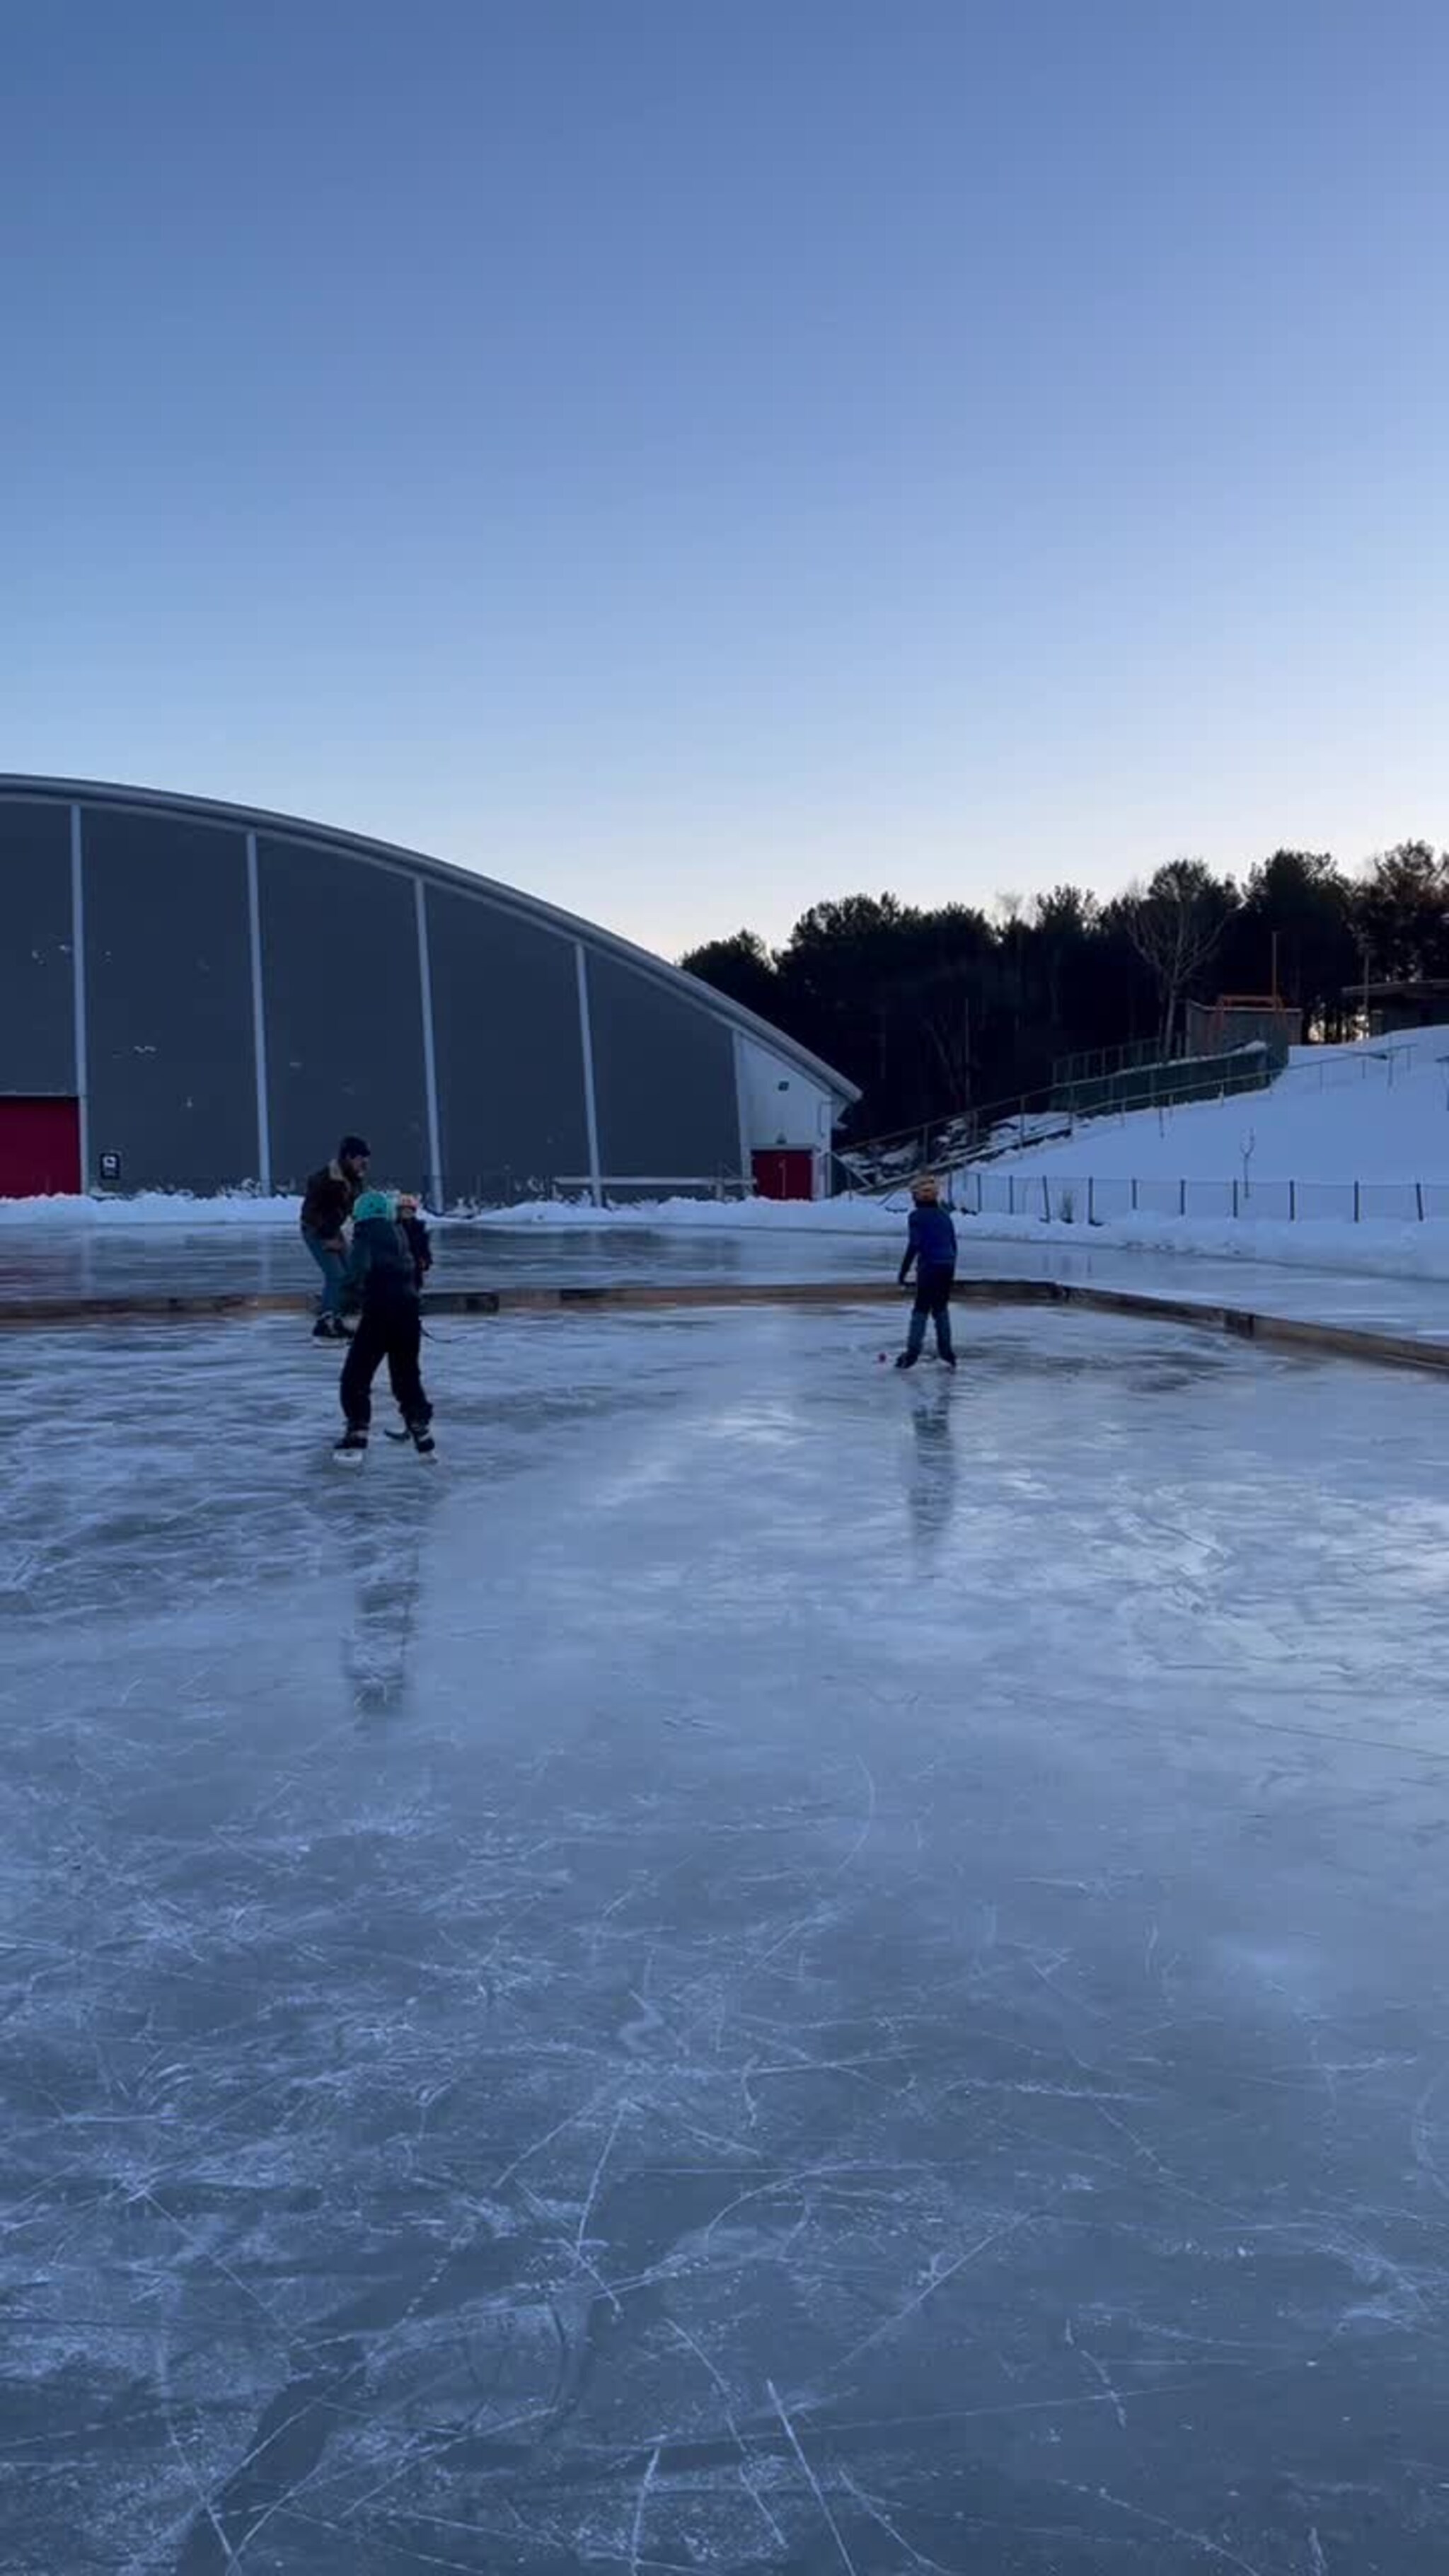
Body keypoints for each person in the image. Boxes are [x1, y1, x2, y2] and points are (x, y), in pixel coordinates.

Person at [333, 1189, 435, 1460]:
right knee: (406, 1376)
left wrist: (343, 1309)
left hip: (379, 1315)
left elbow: (356, 1275)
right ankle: (419, 1425)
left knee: (356, 1376)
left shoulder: (366, 1237)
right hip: (408, 1315)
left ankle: (357, 1431)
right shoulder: (400, 1235)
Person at [301, 1135, 371, 1340]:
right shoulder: (324, 1179)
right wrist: (326, 1238)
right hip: (315, 1231)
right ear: (349, 1157)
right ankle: (326, 1322)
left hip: (334, 1230)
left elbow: (358, 1208)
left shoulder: (355, 1179)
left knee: (351, 1273)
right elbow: (311, 1214)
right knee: (336, 1275)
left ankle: (339, 1319)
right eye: (361, 1157)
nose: (365, 1162)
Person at [896, 1172, 957, 1370]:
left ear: (918, 1197)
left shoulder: (916, 1217)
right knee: (940, 1307)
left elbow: (915, 1244)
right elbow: (953, 1245)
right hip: (947, 1265)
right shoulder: (945, 1216)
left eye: (913, 1196)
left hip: (929, 1266)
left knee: (921, 1308)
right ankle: (947, 1352)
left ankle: (912, 1353)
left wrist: (904, 1271)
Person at [396, 1192, 433, 1293]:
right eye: (404, 1210)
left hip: (415, 1270)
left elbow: (425, 1250)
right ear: (399, 1211)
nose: (407, 1213)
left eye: (409, 1210)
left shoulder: (420, 1229)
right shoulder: (393, 1228)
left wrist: (426, 1261)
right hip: (398, 1271)